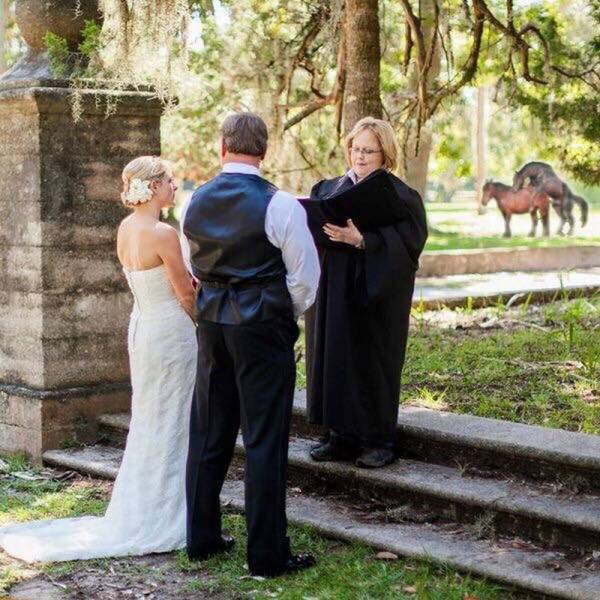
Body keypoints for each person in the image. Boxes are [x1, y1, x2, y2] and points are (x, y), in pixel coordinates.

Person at [0, 156, 197, 562]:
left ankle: (147, 503)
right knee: (173, 417)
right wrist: (206, 328)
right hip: (171, 332)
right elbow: (186, 294)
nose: (175, 187)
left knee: (150, 417)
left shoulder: (126, 228)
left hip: (142, 327)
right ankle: (166, 512)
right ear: (154, 187)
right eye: (171, 181)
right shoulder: (164, 233)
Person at [183, 112, 320, 577]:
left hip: (212, 325)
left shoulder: (193, 200)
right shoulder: (280, 205)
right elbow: (305, 279)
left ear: (223, 147)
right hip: (262, 327)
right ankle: (266, 555)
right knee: (263, 437)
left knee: (208, 430)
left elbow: (193, 267)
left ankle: (200, 538)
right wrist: (283, 314)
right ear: (264, 151)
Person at [305, 117, 428, 469]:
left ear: (384, 153)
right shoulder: (327, 189)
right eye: (356, 149)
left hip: (377, 293)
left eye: (369, 151)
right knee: (334, 355)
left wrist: (363, 240)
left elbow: (409, 246)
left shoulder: (402, 197)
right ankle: (338, 436)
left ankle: (377, 441)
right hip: (333, 289)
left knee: (373, 360)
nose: (360, 157)